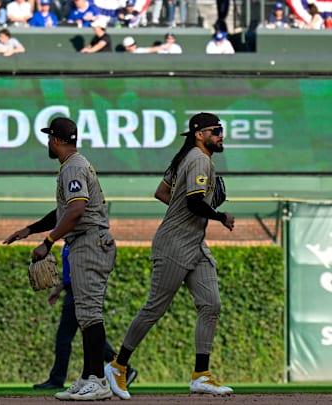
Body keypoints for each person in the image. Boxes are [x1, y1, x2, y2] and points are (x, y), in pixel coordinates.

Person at [105, 112, 235, 400]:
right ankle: (117, 366)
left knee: (211, 304)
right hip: (174, 244)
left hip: (194, 244)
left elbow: (163, 192)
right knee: (154, 308)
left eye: (221, 129)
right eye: (215, 130)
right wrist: (220, 215)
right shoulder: (199, 159)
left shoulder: (186, 157)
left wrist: (186, 207)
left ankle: (201, 375)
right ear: (199, 134)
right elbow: (193, 202)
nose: (221, 134)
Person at [3, 117, 117, 401]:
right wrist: (30, 229)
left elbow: (77, 210)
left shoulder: (74, 167)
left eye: (48, 138)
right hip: (87, 240)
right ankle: (88, 376)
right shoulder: (74, 165)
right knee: (84, 314)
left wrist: (47, 242)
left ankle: (99, 381)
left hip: (90, 241)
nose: (48, 143)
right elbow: (65, 212)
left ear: (55, 140)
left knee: (89, 313)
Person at [31, 244, 138, 390]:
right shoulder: (69, 243)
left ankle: (57, 379)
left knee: (66, 337)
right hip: (73, 290)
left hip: (80, 290)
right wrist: (58, 290)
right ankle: (122, 368)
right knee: (90, 336)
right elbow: (70, 274)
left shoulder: (80, 241)